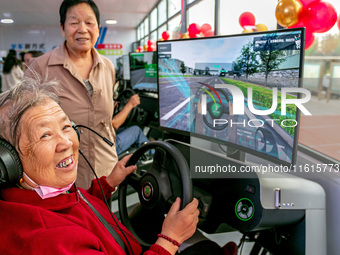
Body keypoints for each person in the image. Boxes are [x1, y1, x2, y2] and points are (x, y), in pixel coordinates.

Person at [0, 77, 236, 255]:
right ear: (8, 161)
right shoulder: (49, 242)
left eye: (65, 126)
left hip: (120, 242)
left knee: (146, 214)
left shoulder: (38, 196)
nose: (66, 142)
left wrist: (108, 184)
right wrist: (170, 239)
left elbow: (76, 209)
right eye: (44, 135)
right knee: (203, 246)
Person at [25, 0, 118, 189]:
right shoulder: (40, 68)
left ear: (98, 28)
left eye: (89, 23)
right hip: (61, 178)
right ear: (62, 27)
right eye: (74, 22)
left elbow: (106, 123)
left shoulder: (108, 67)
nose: (82, 29)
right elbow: (24, 126)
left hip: (105, 172)